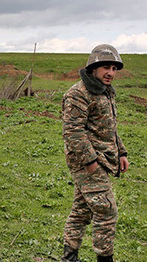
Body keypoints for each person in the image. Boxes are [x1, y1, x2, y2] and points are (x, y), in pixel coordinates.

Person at [61, 44, 129, 262]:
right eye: (106, 67)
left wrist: (121, 153)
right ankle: (105, 259)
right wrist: (91, 162)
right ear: (93, 68)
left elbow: (110, 127)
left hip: (104, 158)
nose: (111, 73)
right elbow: (73, 132)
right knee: (106, 209)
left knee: (82, 210)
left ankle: (69, 256)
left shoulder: (105, 91)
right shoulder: (77, 94)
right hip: (87, 161)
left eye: (114, 68)